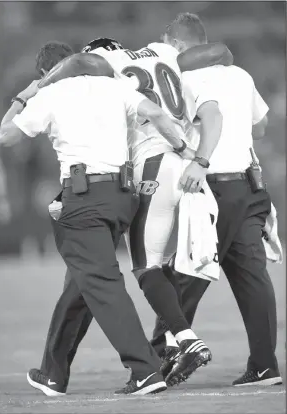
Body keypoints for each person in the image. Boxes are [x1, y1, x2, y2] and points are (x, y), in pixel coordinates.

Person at [0, 41, 198, 396]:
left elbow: (6, 135)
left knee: (102, 284)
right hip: (122, 196)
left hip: (84, 196)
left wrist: (24, 96)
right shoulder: (115, 85)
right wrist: (183, 149)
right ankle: (53, 372)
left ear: (47, 73)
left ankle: (145, 370)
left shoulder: (52, 92)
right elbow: (156, 114)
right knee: (82, 283)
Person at [38, 37, 228, 386]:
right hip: (176, 164)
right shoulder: (164, 50)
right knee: (157, 263)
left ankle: (182, 341)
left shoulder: (97, 73)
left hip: (146, 168)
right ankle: (164, 346)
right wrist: (189, 151)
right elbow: (210, 54)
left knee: (143, 268)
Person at [151, 12, 282, 387]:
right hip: (247, 186)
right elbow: (260, 125)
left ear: (175, 44)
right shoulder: (240, 74)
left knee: (186, 274)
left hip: (208, 187)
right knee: (252, 278)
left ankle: (158, 357)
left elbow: (209, 118)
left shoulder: (181, 78)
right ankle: (264, 365)